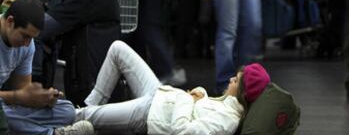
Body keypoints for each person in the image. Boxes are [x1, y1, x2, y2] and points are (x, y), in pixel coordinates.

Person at [76, 40, 271, 134]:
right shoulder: (226, 104)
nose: (230, 80)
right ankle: (88, 105)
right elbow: (196, 109)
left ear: (243, 92)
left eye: (236, 81)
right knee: (118, 49)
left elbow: (182, 131)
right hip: (160, 94)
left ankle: (71, 116)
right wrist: (201, 93)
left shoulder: (226, 120)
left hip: (150, 115)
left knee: (85, 116)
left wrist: (187, 99)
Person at [0, 0, 94, 135]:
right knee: (4, 115)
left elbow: (22, 89)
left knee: (67, 110)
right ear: (10, 22)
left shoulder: (28, 45)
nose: (27, 43)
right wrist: (19, 97)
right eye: (25, 36)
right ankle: (51, 133)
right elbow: (18, 96)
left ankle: (30, 129)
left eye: (31, 38)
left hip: (6, 104)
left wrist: (41, 98)